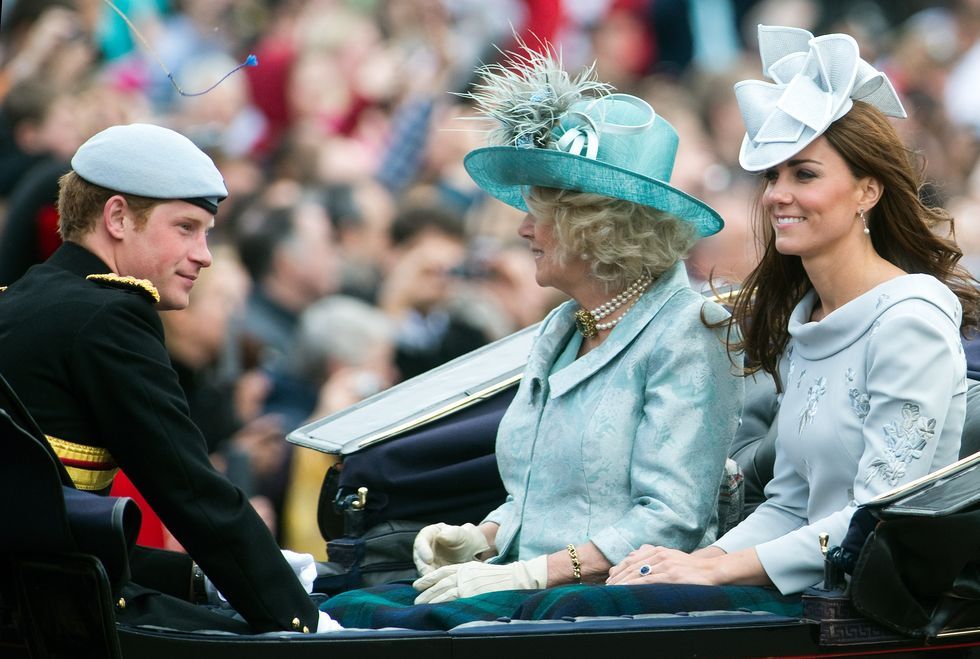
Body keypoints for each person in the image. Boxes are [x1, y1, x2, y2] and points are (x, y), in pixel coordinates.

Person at [608, 25, 978, 595]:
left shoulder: (910, 322)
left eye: (804, 173)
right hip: (800, 595)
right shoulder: (809, 320)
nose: (777, 194)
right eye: (772, 175)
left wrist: (713, 570)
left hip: (863, 612)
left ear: (867, 192)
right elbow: (789, 504)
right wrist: (694, 564)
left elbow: (872, 520)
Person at [409, 44, 744, 604]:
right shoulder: (563, 327)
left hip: (620, 606)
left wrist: (533, 574)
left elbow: (672, 520)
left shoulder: (690, 331)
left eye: (538, 210)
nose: (522, 229)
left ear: (595, 226)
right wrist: (484, 539)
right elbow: (543, 493)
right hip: (533, 598)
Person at [0, 123, 339, 633]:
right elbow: (190, 491)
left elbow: (58, 530)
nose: (203, 254)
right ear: (116, 217)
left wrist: (198, 580)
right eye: (185, 227)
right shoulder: (109, 316)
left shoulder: (26, 296)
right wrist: (300, 620)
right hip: (49, 613)